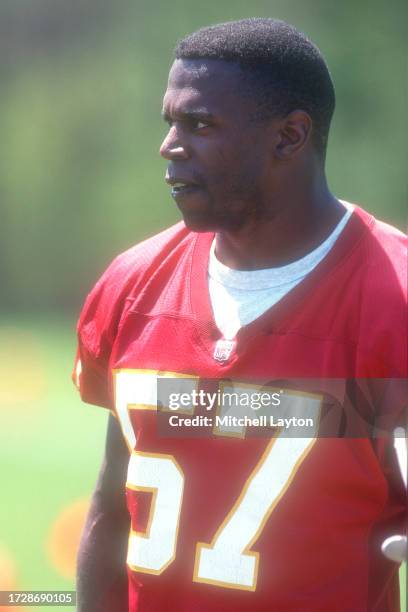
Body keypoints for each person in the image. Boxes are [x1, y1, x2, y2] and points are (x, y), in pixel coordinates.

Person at [73, 18, 407, 612]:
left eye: (199, 124)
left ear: (289, 136)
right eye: (170, 122)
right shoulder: (133, 282)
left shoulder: (393, 297)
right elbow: (111, 504)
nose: (169, 145)